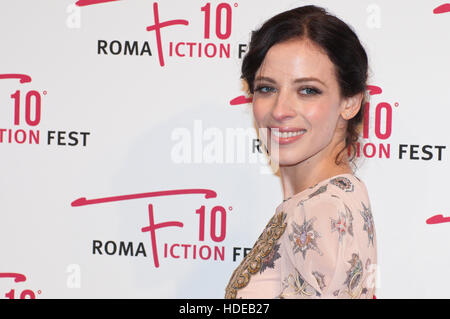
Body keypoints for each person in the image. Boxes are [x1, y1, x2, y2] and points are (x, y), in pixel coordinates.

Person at [225, 5, 377, 299]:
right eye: (267, 88)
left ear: (350, 102)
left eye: (308, 90)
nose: (280, 110)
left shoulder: (322, 210)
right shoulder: (330, 199)